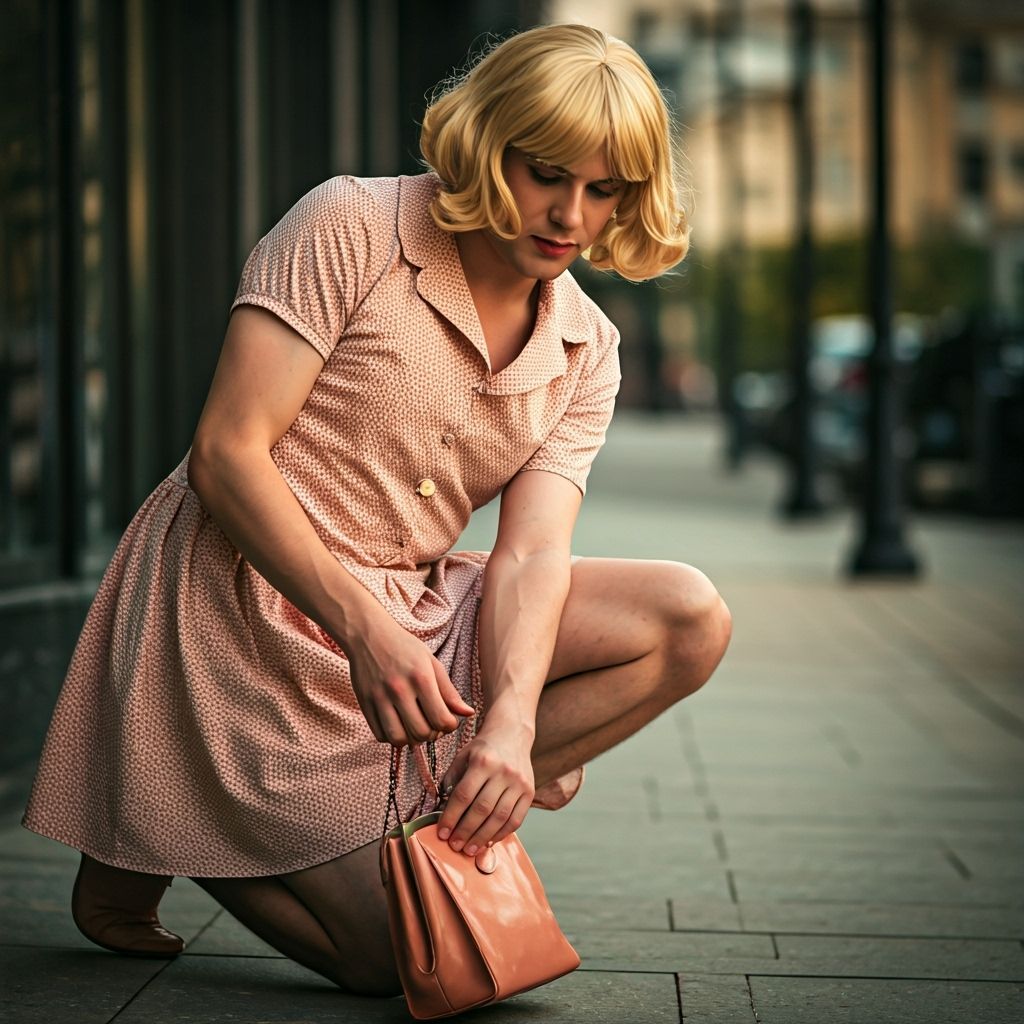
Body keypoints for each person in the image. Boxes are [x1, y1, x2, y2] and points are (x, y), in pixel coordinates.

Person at [23, 23, 731, 996]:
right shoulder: (350, 225)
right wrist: (359, 627)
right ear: (489, 146)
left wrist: (512, 728)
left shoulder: (586, 347)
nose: (570, 214)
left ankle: (419, 817)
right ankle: (177, 812)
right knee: (399, 961)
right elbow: (226, 453)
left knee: (687, 619)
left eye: (603, 190)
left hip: (416, 609)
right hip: (242, 602)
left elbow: (531, 556)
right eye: (545, 174)